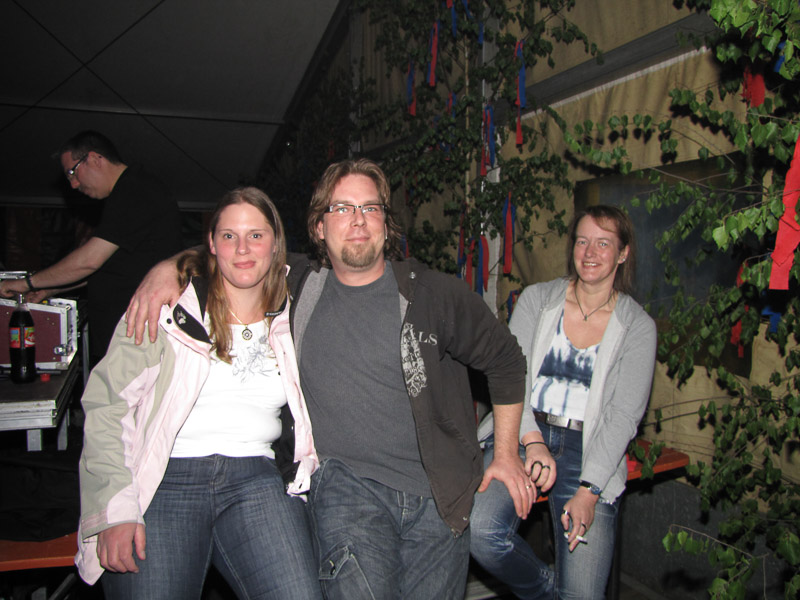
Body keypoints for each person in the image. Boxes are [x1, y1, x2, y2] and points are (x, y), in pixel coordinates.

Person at [125, 158, 535, 599]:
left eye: (370, 208)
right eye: (341, 208)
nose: (357, 220)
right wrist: (170, 268)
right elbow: (240, 251)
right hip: (348, 490)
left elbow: (507, 361)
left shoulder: (433, 295)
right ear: (319, 228)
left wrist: (506, 454)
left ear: (385, 224)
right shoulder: (300, 284)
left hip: (440, 496)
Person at [75, 187, 321, 600]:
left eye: (256, 235)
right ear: (211, 243)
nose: (242, 249)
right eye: (229, 236)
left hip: (258, 479)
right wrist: (114, 510)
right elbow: (108, 404)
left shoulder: (297, 310)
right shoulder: (167, 309)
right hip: (166, 476)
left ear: (275, 242)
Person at [469, 205, 657, 599]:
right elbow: (511, 380)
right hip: (523, 430)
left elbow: (624, 416)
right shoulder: (538, 300)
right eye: (583, 241)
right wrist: (532, 440)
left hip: (591, 450)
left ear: (623, 253)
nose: (590, 252)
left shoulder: (637, 327)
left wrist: (589, 490)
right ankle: (547, 588)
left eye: (603, 243)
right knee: (481, 530)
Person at [0, 130, 181, 365]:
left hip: (138, 339)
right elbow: (108, 267)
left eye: (72, 172)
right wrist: (49, 290)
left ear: (95, 158)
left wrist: (26, 283)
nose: (73, 184)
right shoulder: (127, 193)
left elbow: (89, 261)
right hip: (129, 339)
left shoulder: (135, 190)